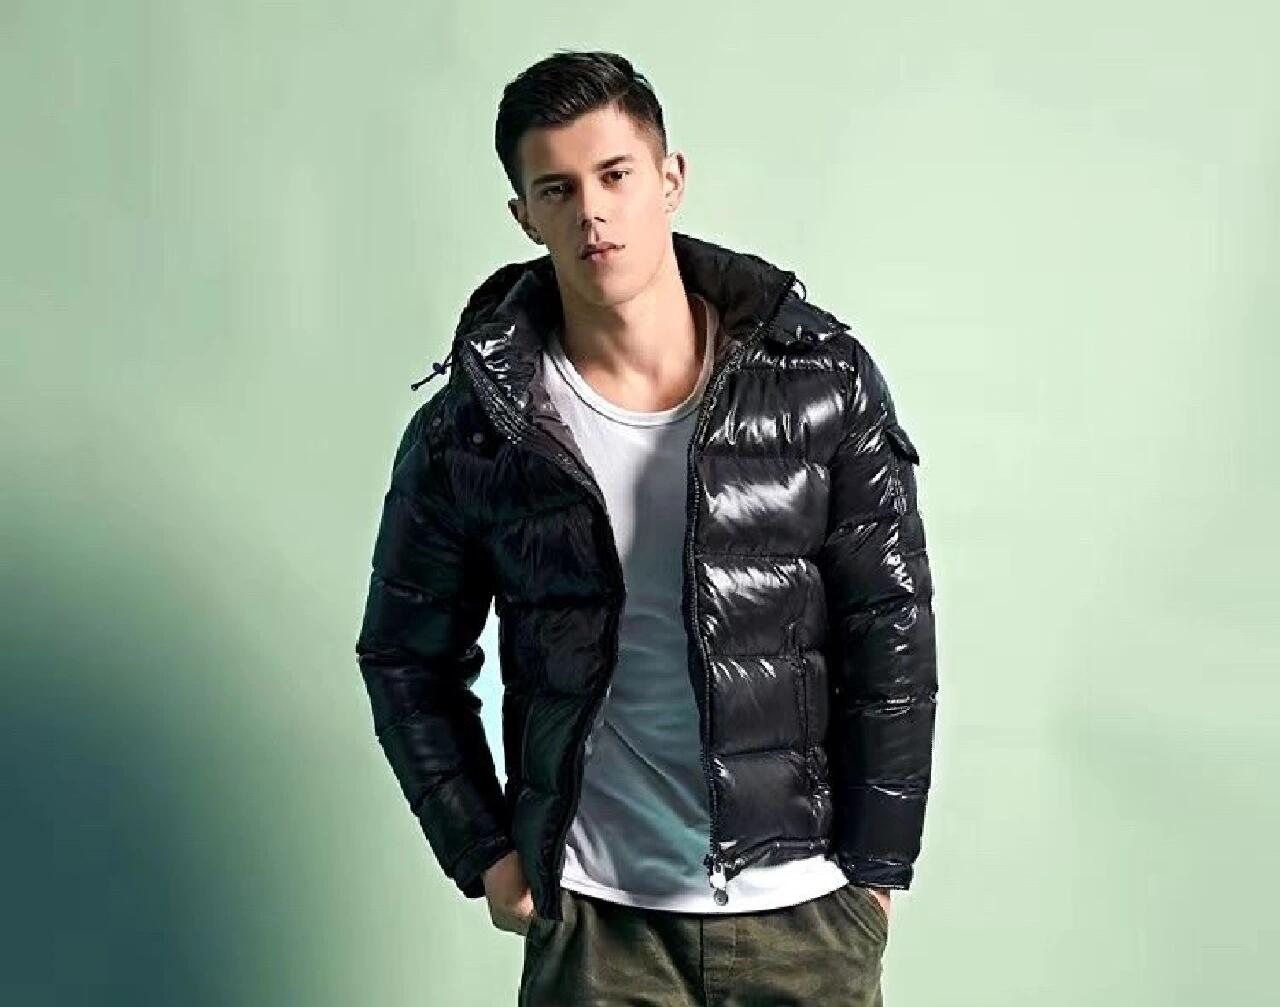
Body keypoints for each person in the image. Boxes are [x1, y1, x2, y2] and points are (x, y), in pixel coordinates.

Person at [354, 49, 938, 1007]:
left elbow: (891, 631)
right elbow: (404, 657)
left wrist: (875, 872)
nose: (592, 211)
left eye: (615, 174)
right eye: (558, 189)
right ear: (525, 215)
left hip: (804, 914)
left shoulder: (820, 380)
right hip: (598, 922)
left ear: (670, 179)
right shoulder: (478, 428)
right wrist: (487, 853)